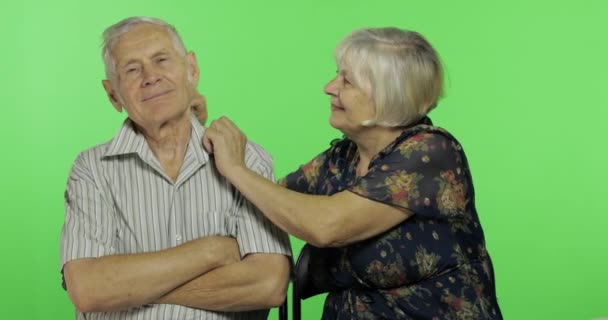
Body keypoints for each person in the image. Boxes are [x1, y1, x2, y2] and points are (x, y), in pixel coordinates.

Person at [202, 28, 503, 319]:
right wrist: (191, 125)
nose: (329, 87)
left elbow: (326, 225)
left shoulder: (429, 153)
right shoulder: (342, 157)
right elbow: (269, 198)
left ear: (390, 96)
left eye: (347, 81)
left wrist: (236, 168)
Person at [59, 16, 291, 320]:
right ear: (113, 94)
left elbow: (267, 285)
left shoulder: (246, 160)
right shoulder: (91, 169)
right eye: (132, 69)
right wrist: (211, 251)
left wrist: (128, 287)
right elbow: (89, 289)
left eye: (162, 60)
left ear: (191, 69)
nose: (150, 77)